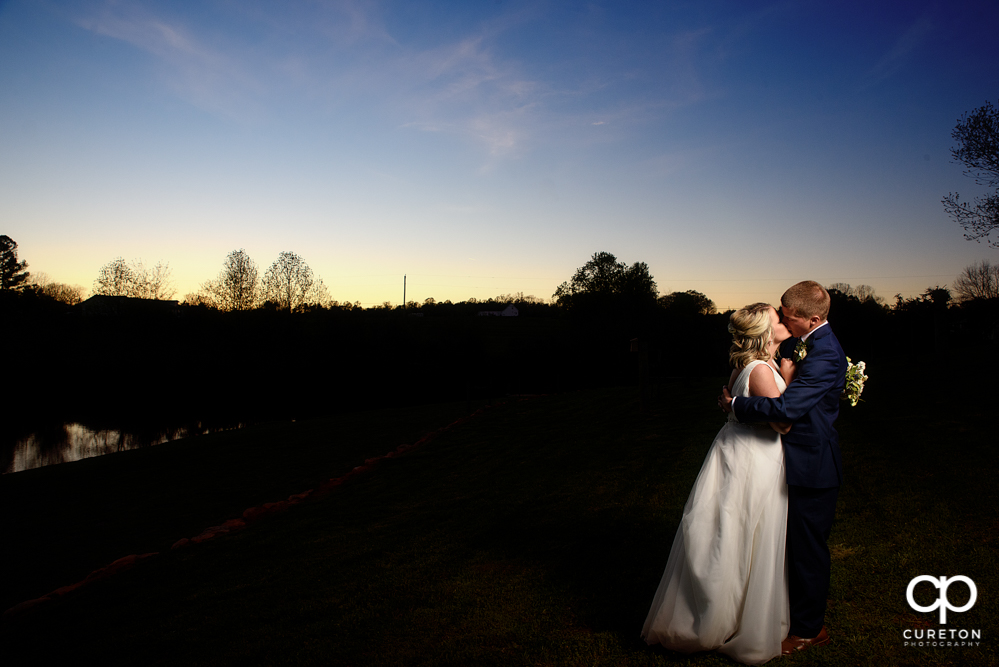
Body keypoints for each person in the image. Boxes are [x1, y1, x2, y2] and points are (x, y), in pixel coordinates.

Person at [642, 302, 793, 665]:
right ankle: (726, 618)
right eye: (777, 318)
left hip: (737, 452)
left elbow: (742, 406)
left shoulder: (748, 365)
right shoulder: (759, 370)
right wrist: (790, 377)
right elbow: (782, 422)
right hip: (753, 458)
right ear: (764, 331)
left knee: (732, 529)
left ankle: (730, 610)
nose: (784, 320)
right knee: (742, 530)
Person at [720, 280, 846, 655]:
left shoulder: (824, 354)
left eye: (789, 318)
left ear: (813, 318)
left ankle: (810, 631)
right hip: (793, 460)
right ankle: (787, 615)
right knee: (793, 546)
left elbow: (788, 410)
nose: (786, 324)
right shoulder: (810, 343)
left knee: (808, 551)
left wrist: (736, 406)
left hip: (813, 465)